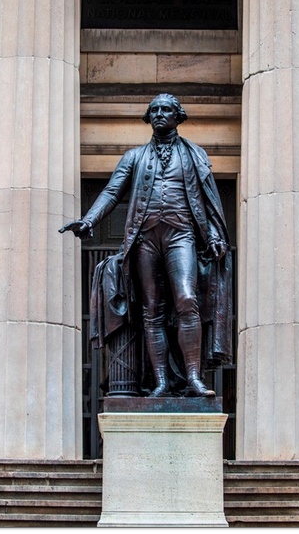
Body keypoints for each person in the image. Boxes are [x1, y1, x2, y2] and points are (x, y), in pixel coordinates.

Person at [60, 93, 231, 397]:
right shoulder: (134, 156)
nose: (159, 114)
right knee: (152, 310)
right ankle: (162, 381)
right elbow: (112, 192)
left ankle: (193, 378)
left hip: (182, 235)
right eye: (154, 110)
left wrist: (215, 235)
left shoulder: (194, 154)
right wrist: (89, 221)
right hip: (145, 239)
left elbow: (208, 199)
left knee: (186, 298)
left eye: (166, 109)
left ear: (178, 116)